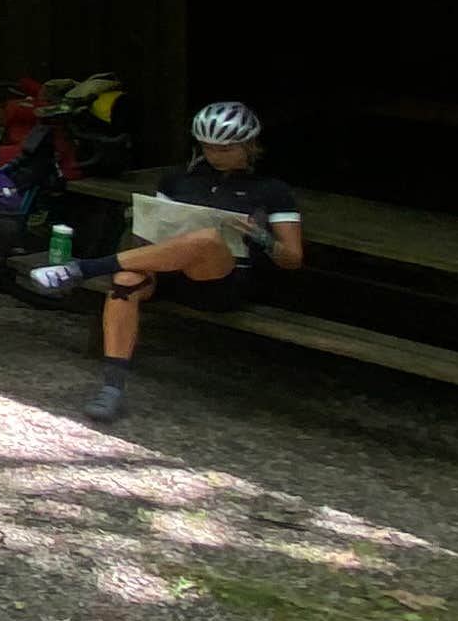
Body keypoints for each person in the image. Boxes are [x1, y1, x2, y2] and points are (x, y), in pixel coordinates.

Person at [18, 101, 305, 424]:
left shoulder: (272, 190)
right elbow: (150, 239)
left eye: (225, 149)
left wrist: (263, 238)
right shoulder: (177, 181)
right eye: (208, 148)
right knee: (125, 282)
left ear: (249, 146)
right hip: (169, 274)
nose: (215, 155)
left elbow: (292, 259)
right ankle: (111, 389)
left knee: (208, 239)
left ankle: (82, 269)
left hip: (222, 282)